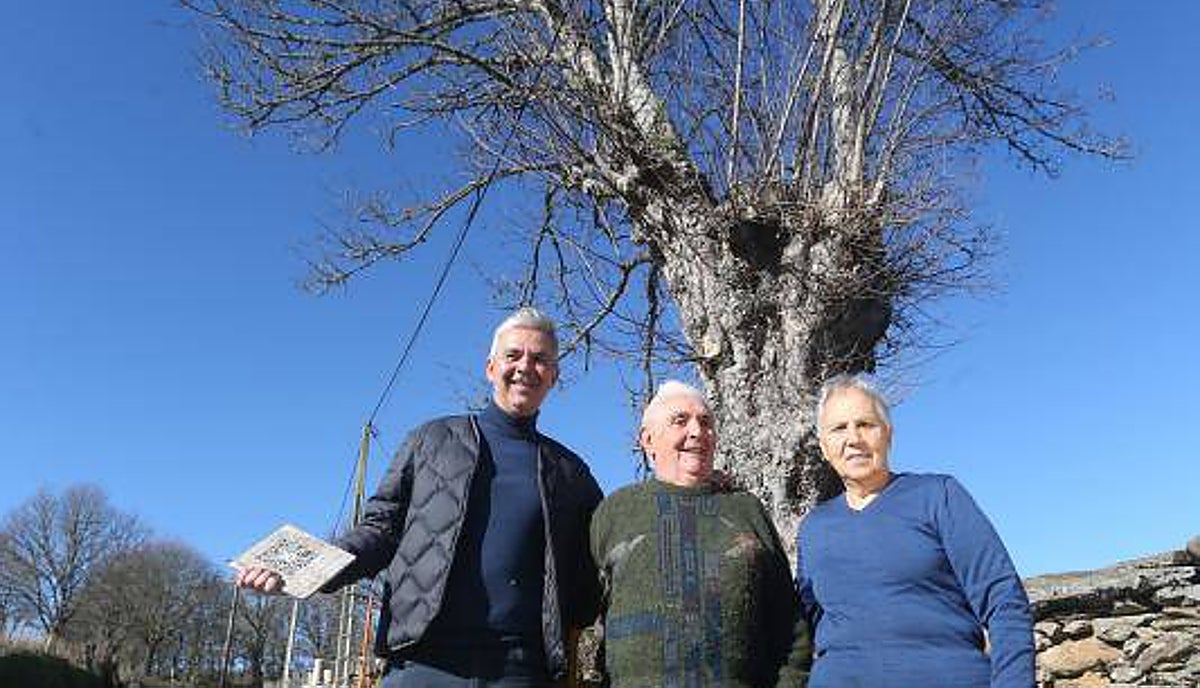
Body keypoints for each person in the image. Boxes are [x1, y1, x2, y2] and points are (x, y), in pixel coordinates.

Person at [237, 307, 603, 688]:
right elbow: (380, 530)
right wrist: (308, 570)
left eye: (540, 359)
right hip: (422, 664)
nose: (525, 366)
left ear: (554, 376)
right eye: (513, 355)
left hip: (521, 671)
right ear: (491, 367)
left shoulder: (571, 474)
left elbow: (592, 573)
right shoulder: (431, 440)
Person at [796, 374, 1035, 688]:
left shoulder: (938, 496)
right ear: (824, 447)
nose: (853, 438)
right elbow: (802, 629)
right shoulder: (814, 528)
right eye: (839, 428)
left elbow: (1003, 600)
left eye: (866, 424)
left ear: (888, 435)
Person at [590, 381, 811, 688]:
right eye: (680, 420)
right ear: (648, 439)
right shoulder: (615, 512)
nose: (697, 431)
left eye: (706, 422)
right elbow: (581, 611)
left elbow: (790, 626)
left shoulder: (746, 509)